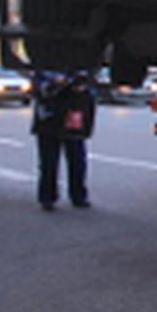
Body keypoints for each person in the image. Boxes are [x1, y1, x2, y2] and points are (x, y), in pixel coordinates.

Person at [31, 69, 96, 211]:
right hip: (49, 121)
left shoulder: (81, 70)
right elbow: (41, 92)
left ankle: (78, 196)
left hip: (72, 120)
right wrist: (62, 84)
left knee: (77, 161)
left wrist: (79, 86)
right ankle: (47, 197)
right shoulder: (44, 71)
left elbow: (89, 96)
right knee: (49, 163)